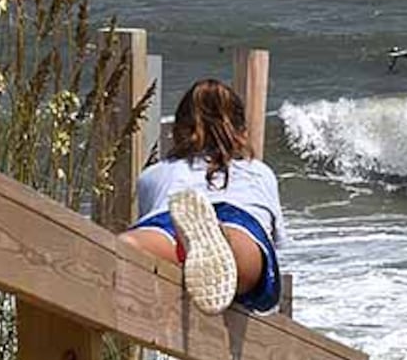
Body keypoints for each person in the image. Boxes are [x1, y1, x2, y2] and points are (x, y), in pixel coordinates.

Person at [118, 78, 285, 316]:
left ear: (178, 130)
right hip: (239, 220)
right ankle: (223, 238)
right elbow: (274, 240)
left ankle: (188, 245)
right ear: (241, 132)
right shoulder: (259, 172)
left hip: (172, 216)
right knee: (242, 267)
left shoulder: (153, 174)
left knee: (130, 247)